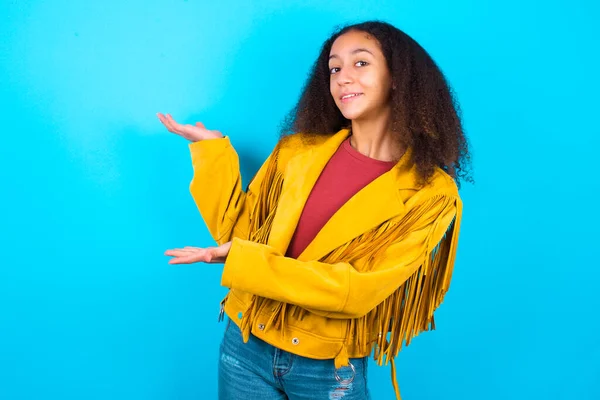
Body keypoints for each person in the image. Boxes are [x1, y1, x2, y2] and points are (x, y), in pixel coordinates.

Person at [158, 20, 471, 400]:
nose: (342, 78)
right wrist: (211, 152)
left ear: (397, 78)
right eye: (334, 68)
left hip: (327, 369)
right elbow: (237, 235)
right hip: (244, 346)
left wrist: (243, 261)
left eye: (360, 63)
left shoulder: (431, 192)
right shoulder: (296, 152)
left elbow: (355, 290)